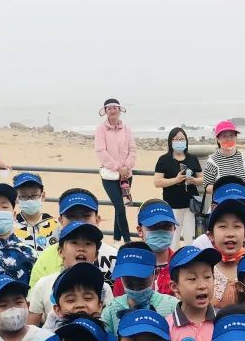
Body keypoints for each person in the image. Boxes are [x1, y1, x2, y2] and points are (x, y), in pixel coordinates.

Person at [27, 221, 113, 330]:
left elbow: (109, 328)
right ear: (60, 251)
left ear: (96, 254)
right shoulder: (43, 284)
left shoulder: (104, 288)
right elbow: (30, 329)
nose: (81, 248)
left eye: (88, 243)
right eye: (74, 242)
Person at [28, 188, 118, 287]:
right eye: (71, 216)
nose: (78, 222)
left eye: (86, 216)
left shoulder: (114, 257)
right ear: (60, 221)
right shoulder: (45, 258)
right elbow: (34, 293)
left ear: (97, 220)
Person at [33, 262, 110, 341]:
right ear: (57, 309)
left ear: (100, 305)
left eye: (88, 298)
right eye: (70, 300)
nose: (80, 305)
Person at [165, 246, 221, 341]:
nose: (202, 285)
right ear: (174, 287)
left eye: (207, 277)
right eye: (192, 279)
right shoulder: (167, 327)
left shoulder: (222, 323)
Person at [101, 244, 177, 338]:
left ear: (156, 273)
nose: (135, 283)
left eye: (141, 279)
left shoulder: (172, 307)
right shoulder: (111, 309)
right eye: (129, 280)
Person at [114, 200, 178, 296]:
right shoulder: (127, 266)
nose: (160, 231)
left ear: (174, 229)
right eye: (154, 227)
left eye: (166, 226)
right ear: (140, 231)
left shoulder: (181, 266)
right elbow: (118, 301)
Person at [95, 99, 136, 243]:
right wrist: (118, 167)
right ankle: (128, 241)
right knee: (120, 208)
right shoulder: (101, 129)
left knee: (121, 208)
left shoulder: (126, 129)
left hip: (126, 176)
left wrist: (126, 166)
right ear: (105, 111)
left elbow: (132, 149)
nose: (113, 111)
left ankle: (116, 241)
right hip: (109, 176)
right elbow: (101, 151)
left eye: (115, 108)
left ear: (119, 109)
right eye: (109, 108)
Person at [153, 128, 204, 246]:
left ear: (186, 141)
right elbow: (157, 182)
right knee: (173, 239)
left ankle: (189, 257)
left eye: (182, 139)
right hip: (172, 204)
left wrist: (194, 180)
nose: (179, 141)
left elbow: (202, 179)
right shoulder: (164, 160)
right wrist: (176, 180)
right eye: (176, 139)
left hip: (191, 205)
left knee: (190, 238)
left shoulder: (192, 159)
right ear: (170, 141)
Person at [202, 121, 245, 219]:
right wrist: (227, 189)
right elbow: (207, 187)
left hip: (244, 207)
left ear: (236, 137)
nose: (228, 139)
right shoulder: (212, 161)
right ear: (218, 139)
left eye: (231, 135)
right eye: (224, 136)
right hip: (220, 208)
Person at [12, 172, 56, 252]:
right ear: (16, 198)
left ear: (42, 196)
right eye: (23, 196)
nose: (29, 200)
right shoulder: (11, 227)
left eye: (34, 195)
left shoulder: (55, 225)